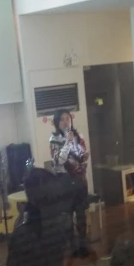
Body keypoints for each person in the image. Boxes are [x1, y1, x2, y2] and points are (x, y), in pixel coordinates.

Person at [50, 109, 91, 258]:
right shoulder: (53, 139)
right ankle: (73, 247)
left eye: (67, 118)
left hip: (79, 180)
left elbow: (83, 156)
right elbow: (58, 162)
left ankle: (83, 244)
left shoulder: (78, 136)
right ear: (56, 122)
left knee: (81, 215)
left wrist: (84, 155)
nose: (66, 121)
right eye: (62, 119)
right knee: (67, 216)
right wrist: (67, 142)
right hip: (64, 181)